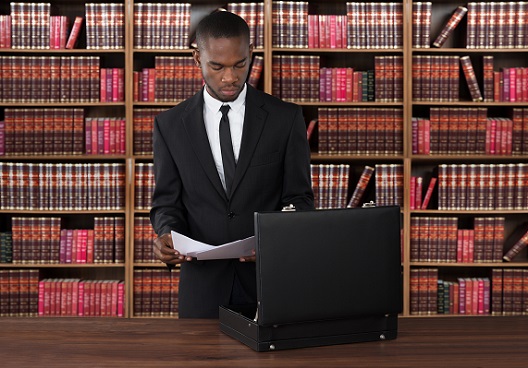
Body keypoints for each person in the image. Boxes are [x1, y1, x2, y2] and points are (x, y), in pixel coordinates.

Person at [150, 11, 314, 318]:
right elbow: (165, 204)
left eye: (240, 65)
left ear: (251, 54)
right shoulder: (169, 126)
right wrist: (166, 236)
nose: (230, 77)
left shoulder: (286, 119)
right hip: (202, 289)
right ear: (196, 58)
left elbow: (300, 200)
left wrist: (275, 243)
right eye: (217, 66)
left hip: (271, 285)